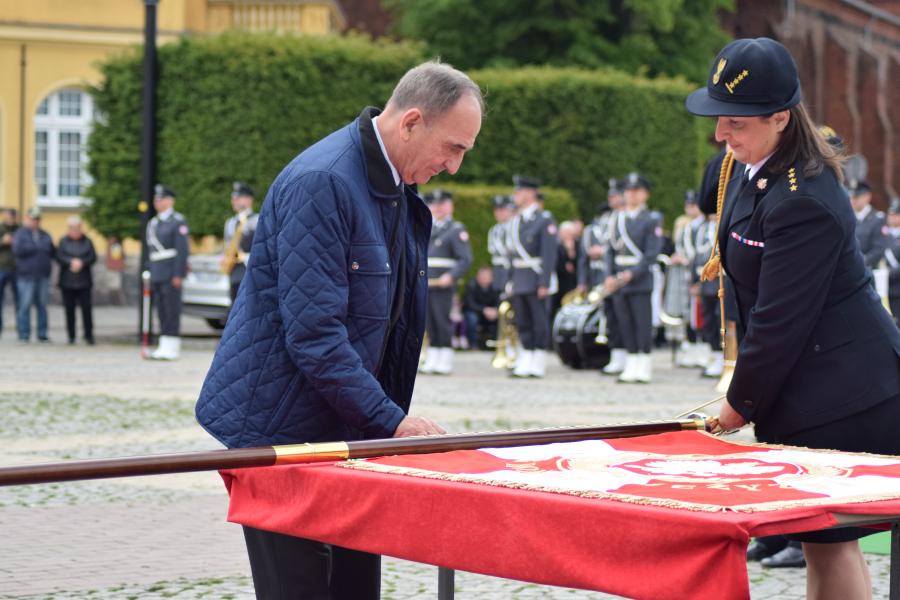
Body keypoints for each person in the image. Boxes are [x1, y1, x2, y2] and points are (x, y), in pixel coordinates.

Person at [194, 61, 482, 600]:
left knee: (354, 586)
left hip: (345, 428)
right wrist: (391, 423)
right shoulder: (324, 181)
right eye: (454, 147)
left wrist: (379, 426)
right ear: (412, 122)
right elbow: (315, 334)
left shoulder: (394, 184)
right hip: (283, 431)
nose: (455, 166)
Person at [686, 37, 900, 600]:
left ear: (780, 117)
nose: (720, 137)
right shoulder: (745, 166)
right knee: (822, 543)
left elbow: (781, 321)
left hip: (845, 392)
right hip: (808, 382)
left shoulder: (803, 197)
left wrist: (736, 407)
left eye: (734, 123)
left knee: (829, 540)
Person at [604, 172, 663, 383]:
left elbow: (651, 254)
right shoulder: (616, 219)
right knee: (625, 323)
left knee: (641, 322)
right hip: (619, 280)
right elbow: (609, 251)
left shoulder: (651, 219)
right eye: (628, 191)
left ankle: (643, 363)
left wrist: (632, 273)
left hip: (639, 279)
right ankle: (631, 362)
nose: (631, 195)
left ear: (645, 194)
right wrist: (609, 276)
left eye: (636, 191)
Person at [508, 175, 558, 378]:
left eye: (519, 192)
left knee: (539, 322)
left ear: (530, 194)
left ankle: (537, 359)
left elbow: (549, 254)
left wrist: (544, 282)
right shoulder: (517, 221)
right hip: (520, 278)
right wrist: (511, 280)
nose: (515, 196)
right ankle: (526, 356)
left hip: (536, 278)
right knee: (523, 321)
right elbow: (512, 255)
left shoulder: (544, 220)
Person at [420, 188, 472, 375]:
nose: (438, 208)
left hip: (443, 283)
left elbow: (465, 259)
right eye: (435, 204)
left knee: (442, 320)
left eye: (442, 204)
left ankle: (445, 357)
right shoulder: (427, 226)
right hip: (427, 282)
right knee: (429, 322)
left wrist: (451, 276)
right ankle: (434, 356)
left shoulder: (456, 230)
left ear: (450, 206)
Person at [146, 184, 189, 360]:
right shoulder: (154, 223)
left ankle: (172, 346)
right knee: (161, 310)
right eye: (156, 199)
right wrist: (148, 271)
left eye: (161, 199)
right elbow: (150, 251)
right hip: (157, 271)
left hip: (171, 272)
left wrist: (178, 274)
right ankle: (163, 344)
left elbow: (182, 250)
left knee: (172, 310)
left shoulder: (178, 222)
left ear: (170, 201)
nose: (157, 202)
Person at [670, 191, 706, 367]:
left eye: (694, 205)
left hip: (701, 273)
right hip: (685, 273)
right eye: (688, 205)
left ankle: (704, 350)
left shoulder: (704, 226)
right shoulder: (686, 227)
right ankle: (691, 348)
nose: (690, 208)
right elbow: (680, 248)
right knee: (687, 313)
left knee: (702, 313)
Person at [599, 179, 628, 375]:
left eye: (615, 195)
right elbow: (608, 251)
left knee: (627, 319)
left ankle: (630, 356)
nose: (612, 199)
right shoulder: (609, 219)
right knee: (613, 317)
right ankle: (617, 355)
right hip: (611, 276)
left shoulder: (628, 218)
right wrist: (608, 275)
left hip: (627, 275)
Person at [12, 207, 55, 343]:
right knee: (24, 305)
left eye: (37, 219)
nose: (35, 221)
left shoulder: (45, 234)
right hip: (26, 275)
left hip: (42, 275)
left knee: (42, 306)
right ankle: (24, 334)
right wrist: (35, 247)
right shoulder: (20, 234)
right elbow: (17, 249)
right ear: (27, 219)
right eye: (32, 219)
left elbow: (52, 251)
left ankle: (42, 334)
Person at [57, 216, 97, 345]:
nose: (75, 230)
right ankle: (71, 335)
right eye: (72, 228)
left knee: (86, 310)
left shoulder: (87, 241)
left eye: (77, 228)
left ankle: (88, 335)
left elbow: (92, 257)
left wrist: (82, 263)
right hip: (67, 282)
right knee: (69, 310)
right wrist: (71, 262)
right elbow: (59, 256)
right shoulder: (63, 241)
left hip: (84, 281)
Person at [221, 181, 259, 304]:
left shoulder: (257, 220)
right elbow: (227, 244)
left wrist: (245, 257)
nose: (234, 201)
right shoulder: (230, 222)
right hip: (234, 270)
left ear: (249, 200)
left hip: (250, 269)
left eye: (238, 198)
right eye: (233, 198)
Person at [848, 180, 887, 271]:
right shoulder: (848, 217)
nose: (853, 200)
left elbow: (879, 249)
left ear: (867, 197)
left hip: (867, 271)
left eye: (856, 197)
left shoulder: (878, 219)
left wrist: (859, 262)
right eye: (851, 197)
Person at [462, 265, 500, 350]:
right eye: (482, 276)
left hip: (490, 313)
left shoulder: (496, 287)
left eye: (486, 276)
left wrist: (495, 311)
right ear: (477, 277)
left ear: (491, 278)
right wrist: (484, 310)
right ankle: (473, 345)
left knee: (501, 318)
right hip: (474, 312)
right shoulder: (471, 285)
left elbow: (499, 302)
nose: (484, 278)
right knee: (472, 318)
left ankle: (495, 344)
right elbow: (469, 304)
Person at [552, 220, 581, 319]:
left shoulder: (578, 245)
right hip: (561, 282)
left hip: (574, 282)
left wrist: (571, 251)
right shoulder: (557, 245)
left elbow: (580, 263)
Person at [0, 208, 20, 337]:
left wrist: (15, 242)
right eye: (7, 216)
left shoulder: (20, 229)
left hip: (17, 269)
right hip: (1, 268)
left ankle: (21, 329)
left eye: (11, 217)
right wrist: (2, 241)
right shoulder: (1, 228)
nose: (9, 219)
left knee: (20, 300)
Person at [886, 197, 900, 327]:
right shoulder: (883, 234)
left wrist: (887, 273)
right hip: (885, 288)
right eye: (890, 214)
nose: (892, 218)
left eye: (896, 214)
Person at [104, 235, 126, 305]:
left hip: (116, 269)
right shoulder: (109, 247)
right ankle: (113, 301)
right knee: (111, 287)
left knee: (116, 287)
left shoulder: (117, 247)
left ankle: (118, 302)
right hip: (111, 269)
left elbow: (120, 257)